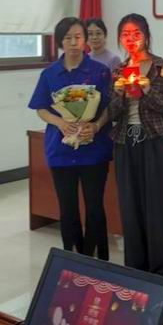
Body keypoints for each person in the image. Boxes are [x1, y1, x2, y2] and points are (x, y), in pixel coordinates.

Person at [28, 17, 113, 260]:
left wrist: (95, 126)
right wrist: (60, 122)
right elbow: (41, 108)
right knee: (67, 208)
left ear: (85, 40)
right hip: (61, 150)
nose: (74, 42)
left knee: (95, 206)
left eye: (78, 37)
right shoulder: (49, 74)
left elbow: (110, 107)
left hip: (94, 150)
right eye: (68, 38)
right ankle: (73, 260)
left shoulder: (100, 71)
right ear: (60, 42)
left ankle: (97, 260)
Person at [108, 13, 163, 279]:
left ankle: (161, 270)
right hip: (125, 141)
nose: (131, 39)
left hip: (153, 141)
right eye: (125, 34)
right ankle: (135, 267)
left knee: (157, 204)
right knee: (130, 204)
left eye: (136, 33)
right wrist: (119, 94)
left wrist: (149, 90)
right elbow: (112, 113)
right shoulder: (118, 71)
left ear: (147, 36)